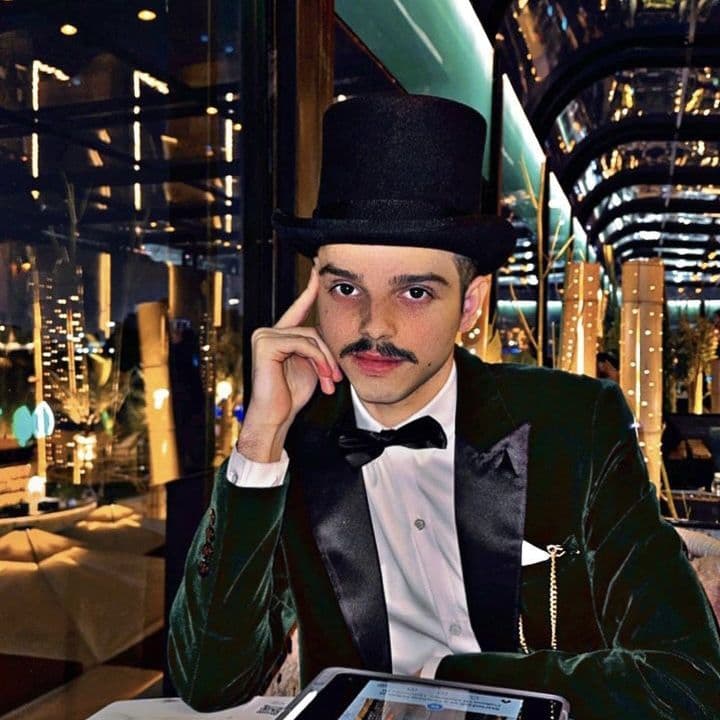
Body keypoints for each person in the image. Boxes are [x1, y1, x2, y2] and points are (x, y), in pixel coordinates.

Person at [167, 95, 720, 719]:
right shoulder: (295, 440)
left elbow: (689, 679)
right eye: (345, 287)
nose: (373, 325)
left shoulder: (575, 423)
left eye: (414, 292)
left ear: (471, 304)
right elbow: (210, 682)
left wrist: (446, 680)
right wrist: (260, 439)